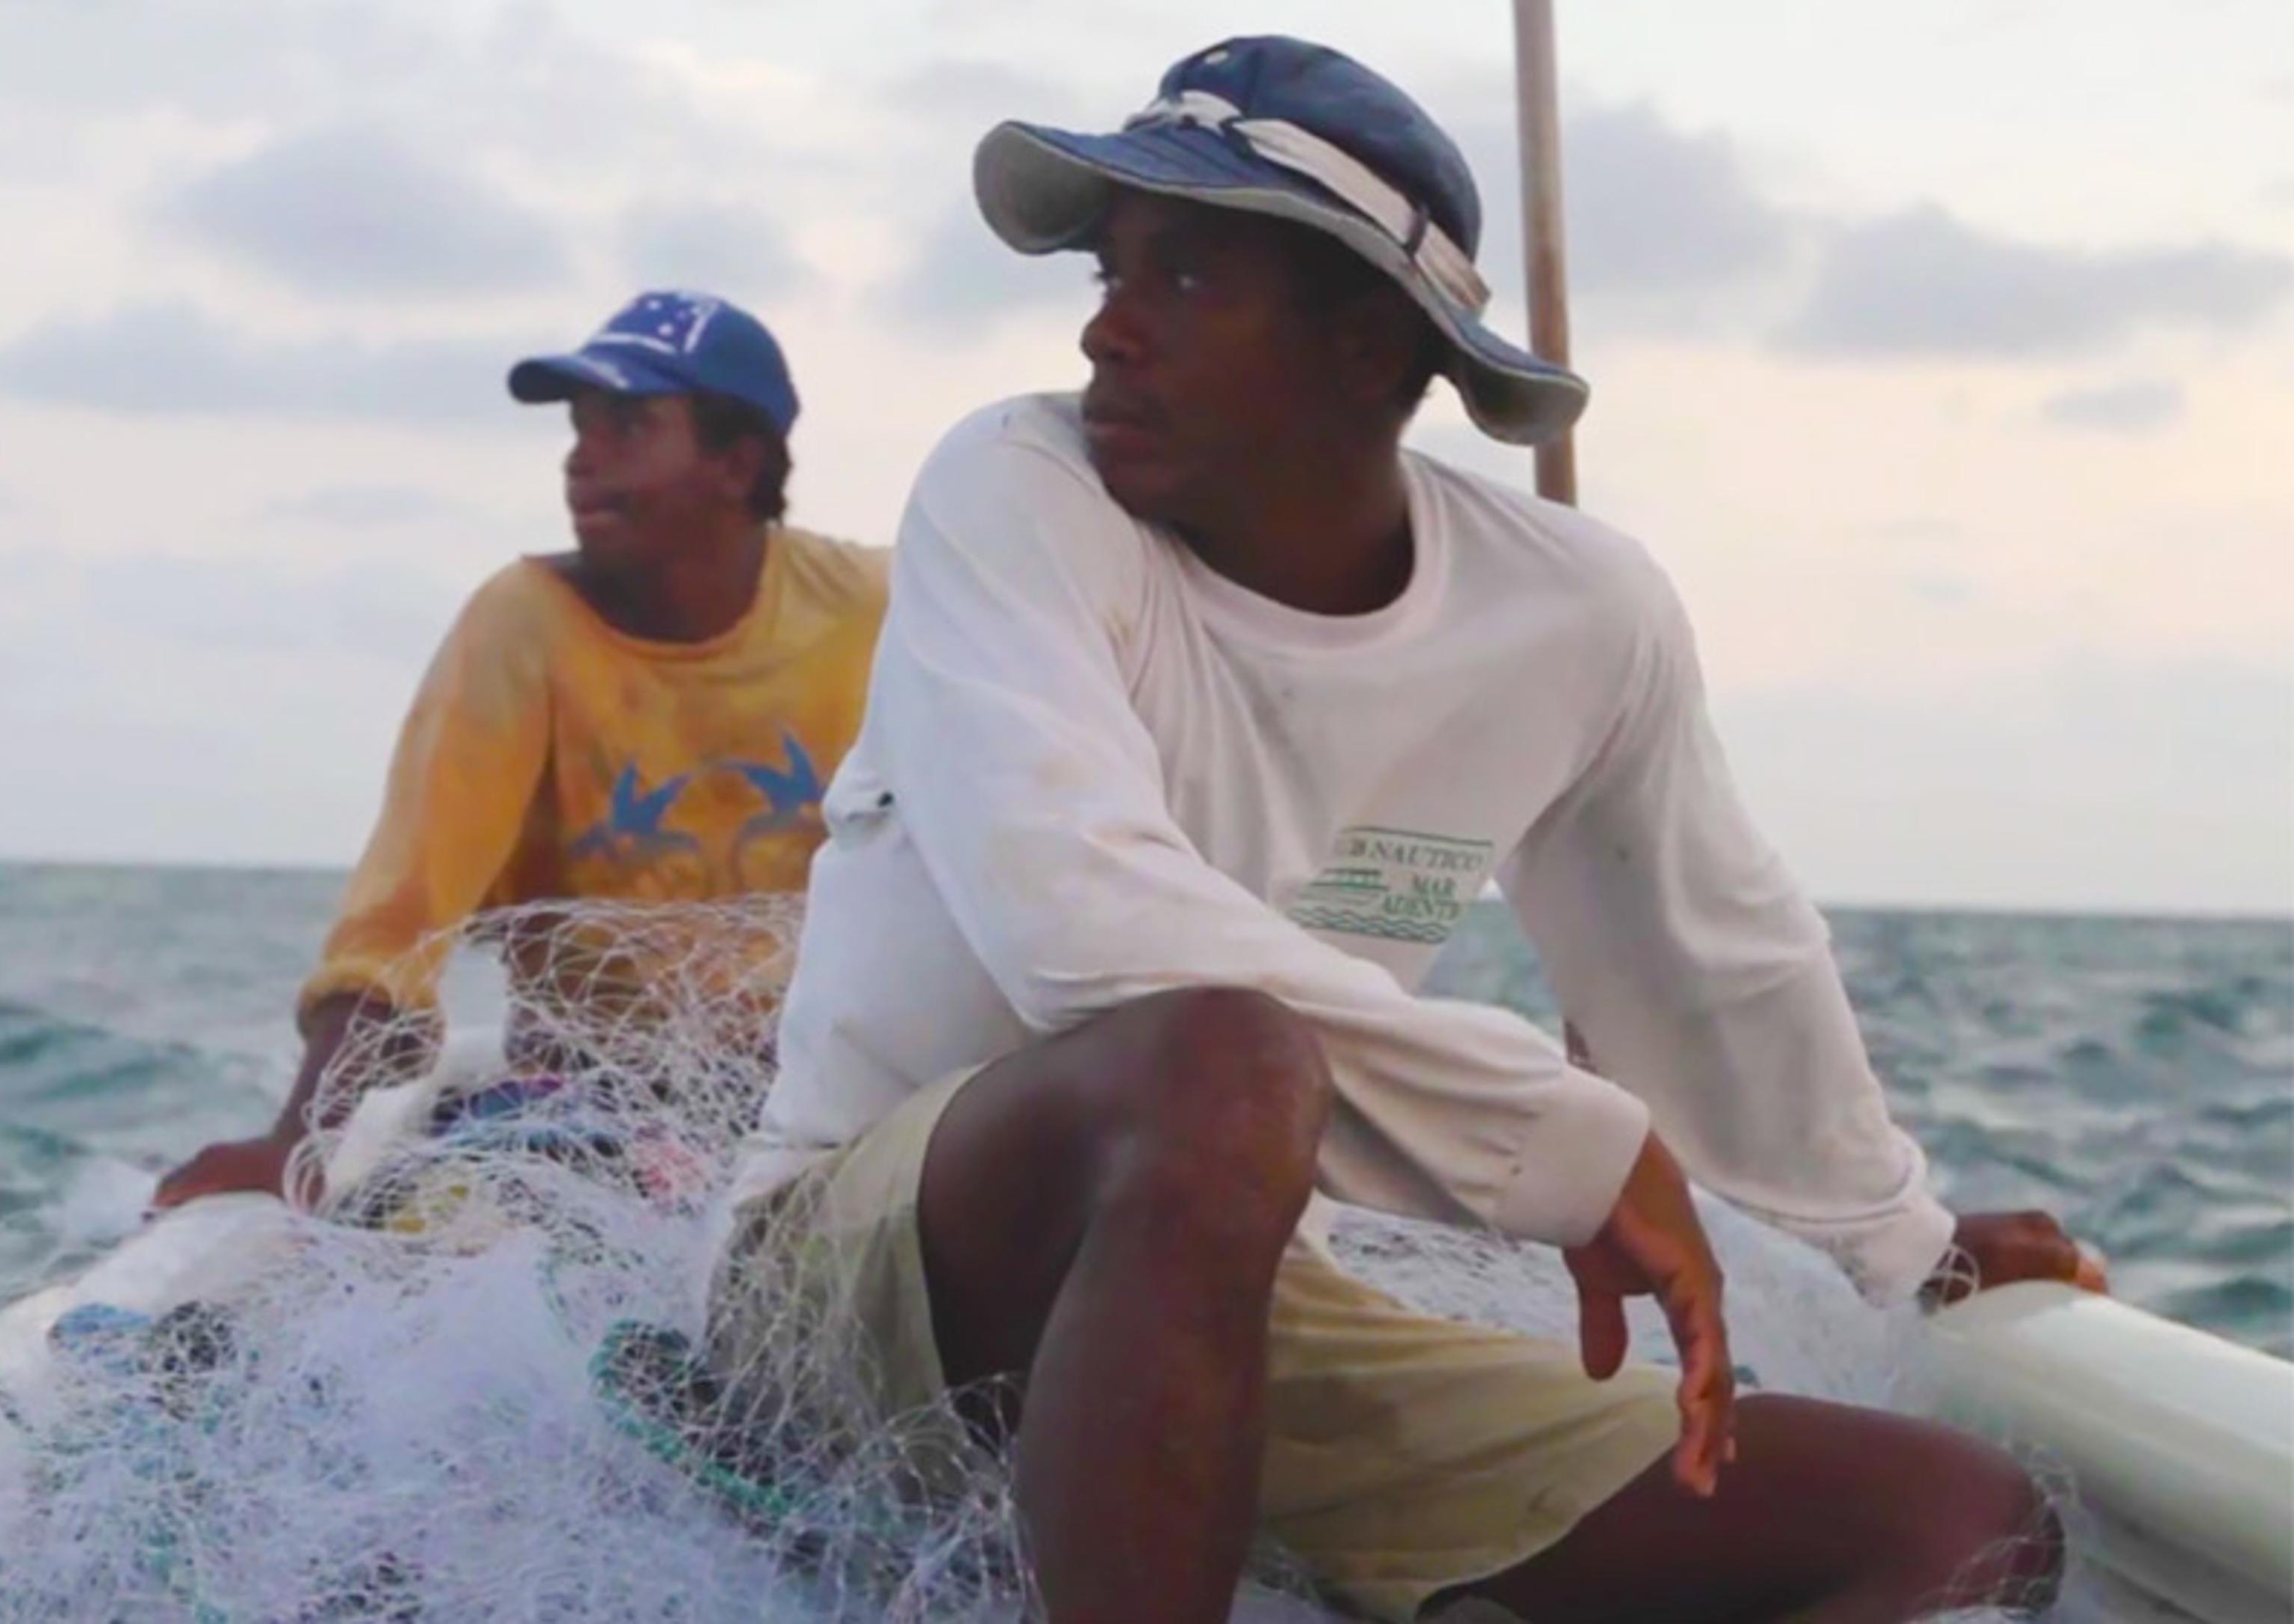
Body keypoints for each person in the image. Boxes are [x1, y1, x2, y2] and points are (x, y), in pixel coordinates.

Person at [717, 38, 2101, 1624]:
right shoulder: (1014, 490)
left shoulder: (1577, 611)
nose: (1105, 326)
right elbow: (1081, 928)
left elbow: (1711, 967)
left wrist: (1902, 1253)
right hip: (849, 1285)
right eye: (1110, 270)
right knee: (1216, 1063)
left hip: (1226, 1308)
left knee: (1953, 1524)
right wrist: (1572, 1148)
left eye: (1183, 275)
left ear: (1374, 346)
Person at [158, 291, 887, 1210]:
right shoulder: (522, 627)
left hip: (830, 1090)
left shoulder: (874, 609)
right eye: (580, 429)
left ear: (737, 463)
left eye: (628, 425)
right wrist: (297, 1140)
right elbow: (402, 923)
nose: (582, 459)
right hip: (592, 1104)